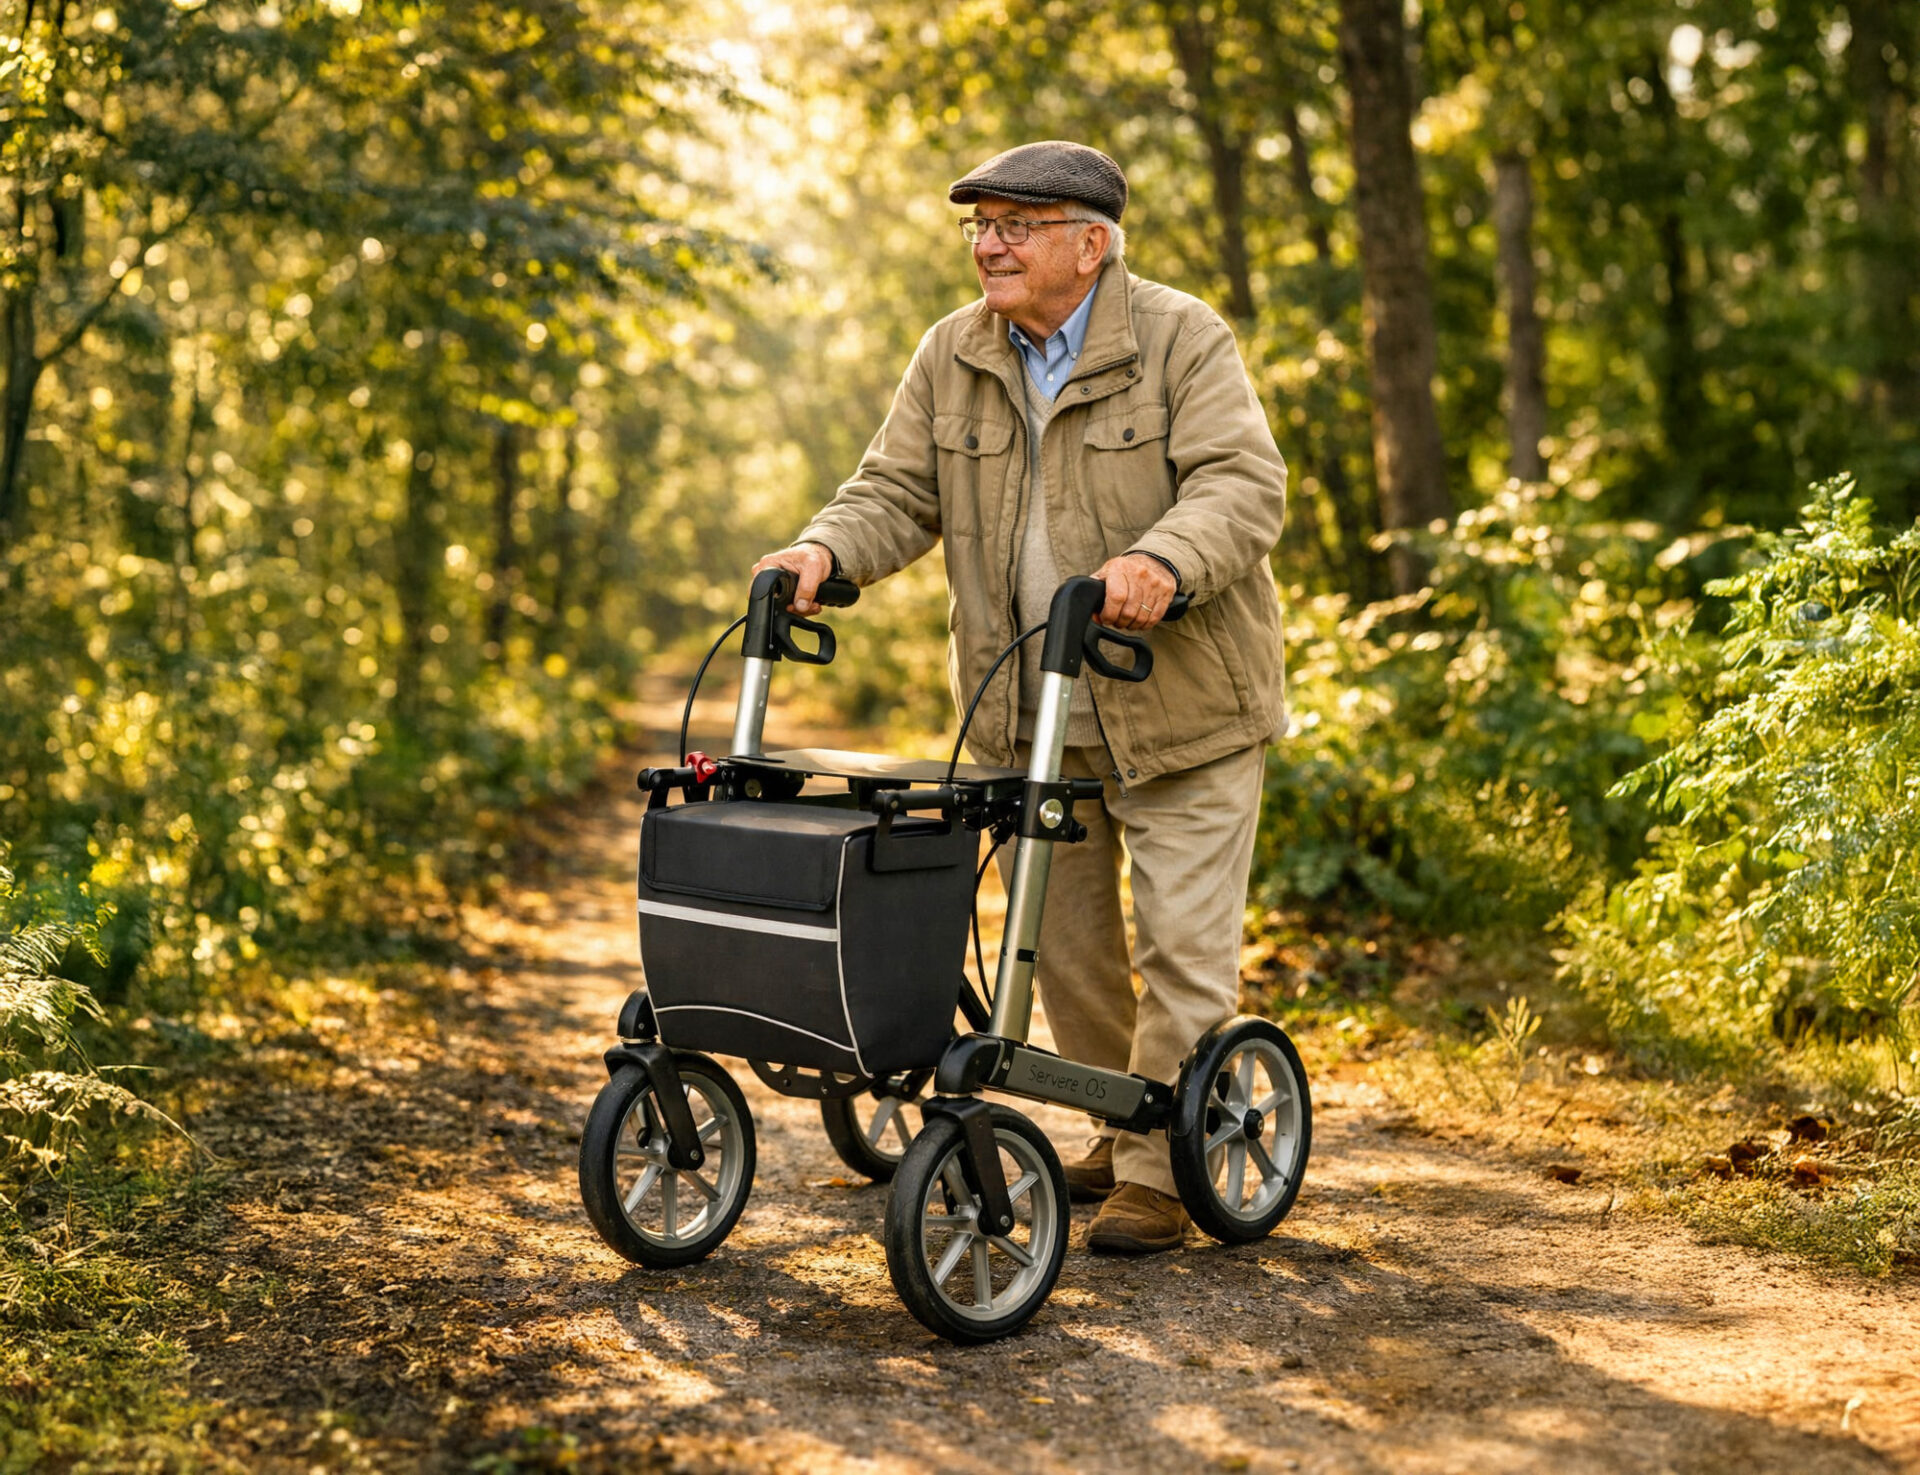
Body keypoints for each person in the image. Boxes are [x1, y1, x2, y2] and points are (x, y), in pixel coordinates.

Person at [753, 141, 1288, 1253]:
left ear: (1090, 244)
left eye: (1017, 222)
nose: (988, 243)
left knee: (1183, 948)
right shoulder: (953, 352)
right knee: (1066, 947)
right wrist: (819, 553)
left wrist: (1165, 563)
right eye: (980, 225)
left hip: (1182, 703)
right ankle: (1117, 1116)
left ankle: (1159, 1173)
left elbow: (1242, 485)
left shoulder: (1181, 337)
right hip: (1029, 717)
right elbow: (895, 492)